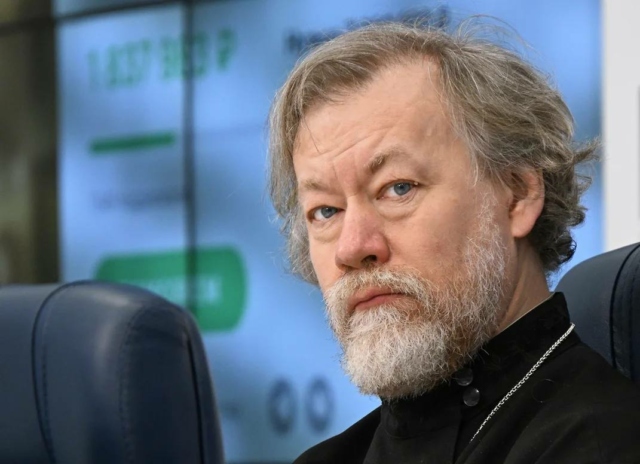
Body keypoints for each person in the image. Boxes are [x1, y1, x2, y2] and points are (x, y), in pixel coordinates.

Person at [267, 21, 640, 463]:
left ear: (517, 195)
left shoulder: (602, 443)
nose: (352, 247)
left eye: (398, 188)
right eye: (325, 211)